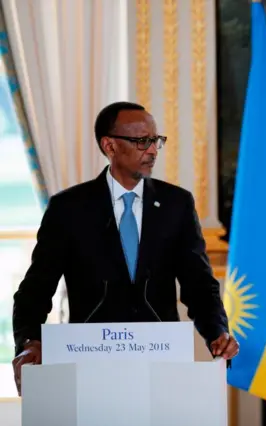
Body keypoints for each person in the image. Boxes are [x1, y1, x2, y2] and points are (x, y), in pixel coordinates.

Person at [12, 101, 238, 393]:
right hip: (89, 366)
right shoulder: (69, 208)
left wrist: (217, 332)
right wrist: (30, 342)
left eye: (156, 140)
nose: (153, 150)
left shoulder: (176, 204)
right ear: (110, 146)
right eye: (141, 141)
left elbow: (199, 285)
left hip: (162, 364)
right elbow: (35, 290)